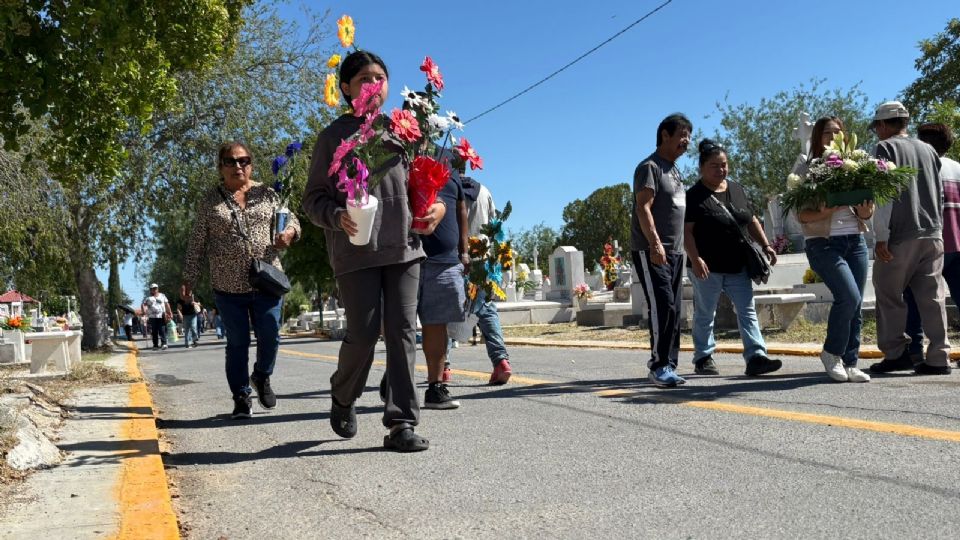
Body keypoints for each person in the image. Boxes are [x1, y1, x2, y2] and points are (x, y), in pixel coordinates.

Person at [302, 50, 445, 452]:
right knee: (364, 334)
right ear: (346, 87)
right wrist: (336, 216)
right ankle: (343, 394)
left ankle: (401, 422)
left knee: (401, 331)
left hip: (404, 247)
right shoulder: (332, 137)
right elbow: (312, 200)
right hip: (356, 250)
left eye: (380, 78)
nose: (374, 85)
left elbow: (430, 183)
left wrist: (437, 207)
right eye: (364, 78)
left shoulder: (403, 130)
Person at [182, 141, 302, 419]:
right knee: (237, 343)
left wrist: (289, 234)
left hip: (267, 279)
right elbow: (197, 243)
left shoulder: (268, 194)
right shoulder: (210, 201)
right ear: (220, 166)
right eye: (231, 161)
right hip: (228, 285)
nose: (238, 166)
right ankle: (241, 396)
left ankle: (261, 376)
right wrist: (189, 276)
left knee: (270, 335)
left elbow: (294, 220)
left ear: (251, 164)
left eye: (244, 160)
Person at [683, 139, 782, 376]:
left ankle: (756, 357)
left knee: (747, 310)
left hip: (737, 264)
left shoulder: (737, 189)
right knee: (706, 313)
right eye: (715, 166)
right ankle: (703, 357)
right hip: (707, 267)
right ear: (702, 168)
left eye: (724, 165)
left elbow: (751, 220)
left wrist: (766, 245)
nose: (721, 170)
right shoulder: (694, 195)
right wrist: (696, 259)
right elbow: (686, 232)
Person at [868, 101, 951, 375]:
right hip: (932, 233)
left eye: (876, 127)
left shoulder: (885, 148)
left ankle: (896, 353)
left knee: (889, 294)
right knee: (933, 297)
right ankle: (940, 356)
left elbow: (883, 195)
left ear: (882, 125)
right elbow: (939, 192)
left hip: (901, 235)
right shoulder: (928, 149)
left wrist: (881, 237)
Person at [795, 117, 874, 382]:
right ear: (817, 136)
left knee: (857, 304)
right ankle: (831, 353)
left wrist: (865, 210)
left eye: (837, 132)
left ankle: (851, 362)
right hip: (823, 243)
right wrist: (823, 211)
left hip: (856, 241)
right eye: (827, 132)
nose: (833, 137)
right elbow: (801, 216)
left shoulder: (855, 165)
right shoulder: (806, 166)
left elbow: (868, 209)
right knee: (848, 297)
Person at [632, 113, 692, 388]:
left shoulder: (675, 170)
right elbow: (643, 207)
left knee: (674, 309)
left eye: (689, 135)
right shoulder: (650, 167)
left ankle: (670, 363)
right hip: (653, 250)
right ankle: (658, 365)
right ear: (664, 136)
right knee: (663, 306)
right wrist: (655, 244)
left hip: (676, 252)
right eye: (682, 134)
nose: (687, 141)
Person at [901, 123, 960, 365]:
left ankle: (914, 349)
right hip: (957, 243)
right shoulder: (957, 168)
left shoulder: (919, 168)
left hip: (928, 244)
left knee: (913, 297)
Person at [457, 174, 513, 385]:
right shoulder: (485, 191)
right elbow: (496, 227)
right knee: (487, 309)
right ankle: (501, 361)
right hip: (482, 260)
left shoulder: (448, 188)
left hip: (457, 259)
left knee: (446, 312)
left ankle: (443, 368)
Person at [141, 283, 173, 350]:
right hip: (152, 317)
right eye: (152, 289)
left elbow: (167, 304)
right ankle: (155, 345)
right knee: (154, 331)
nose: (154, 290)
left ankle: (164, 343)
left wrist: (170, 312)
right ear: (150, 290)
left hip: (162, 315)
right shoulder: (148, 298)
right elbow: (144, 305)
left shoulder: (162, 296)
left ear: (157, 289)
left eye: (155, 288)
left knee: (162, 330)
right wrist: (144, 311)